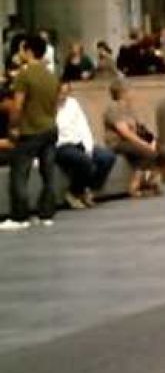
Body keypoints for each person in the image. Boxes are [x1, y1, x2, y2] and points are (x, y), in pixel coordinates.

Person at [1, 35, 61, 230]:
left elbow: (17, 106)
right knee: (48, 173)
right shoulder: (52, 75)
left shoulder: (24, 75)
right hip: (50, 128)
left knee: (19, 173)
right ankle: (46, 214)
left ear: (28, 51)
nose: (19, 53)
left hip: (31, 130)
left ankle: (20, 216)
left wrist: (13, 127)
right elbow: (55, 104)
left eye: (21, 49)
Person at [102, 79, 165, 197]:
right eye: (131, 90)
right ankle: (134, 186)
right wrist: (144, 145)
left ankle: (151, 181)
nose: (133, 93)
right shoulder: (113, 109)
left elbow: (141, 129)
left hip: (134, 141)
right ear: (122, 93)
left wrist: (152, 141)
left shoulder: (129, 109)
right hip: (119, 143)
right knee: (147, 153)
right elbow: (125, 132)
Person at [54, 83, 116, 210]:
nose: (63, 97)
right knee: (84, 162)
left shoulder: (72, 104)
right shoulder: (48, 106)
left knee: (107, 157)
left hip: (79, 142)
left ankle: (89, 188)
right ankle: (74, 192)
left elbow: (83, 126)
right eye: (61, 93)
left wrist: (89, 147)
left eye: (66, 93)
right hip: (61, 145)